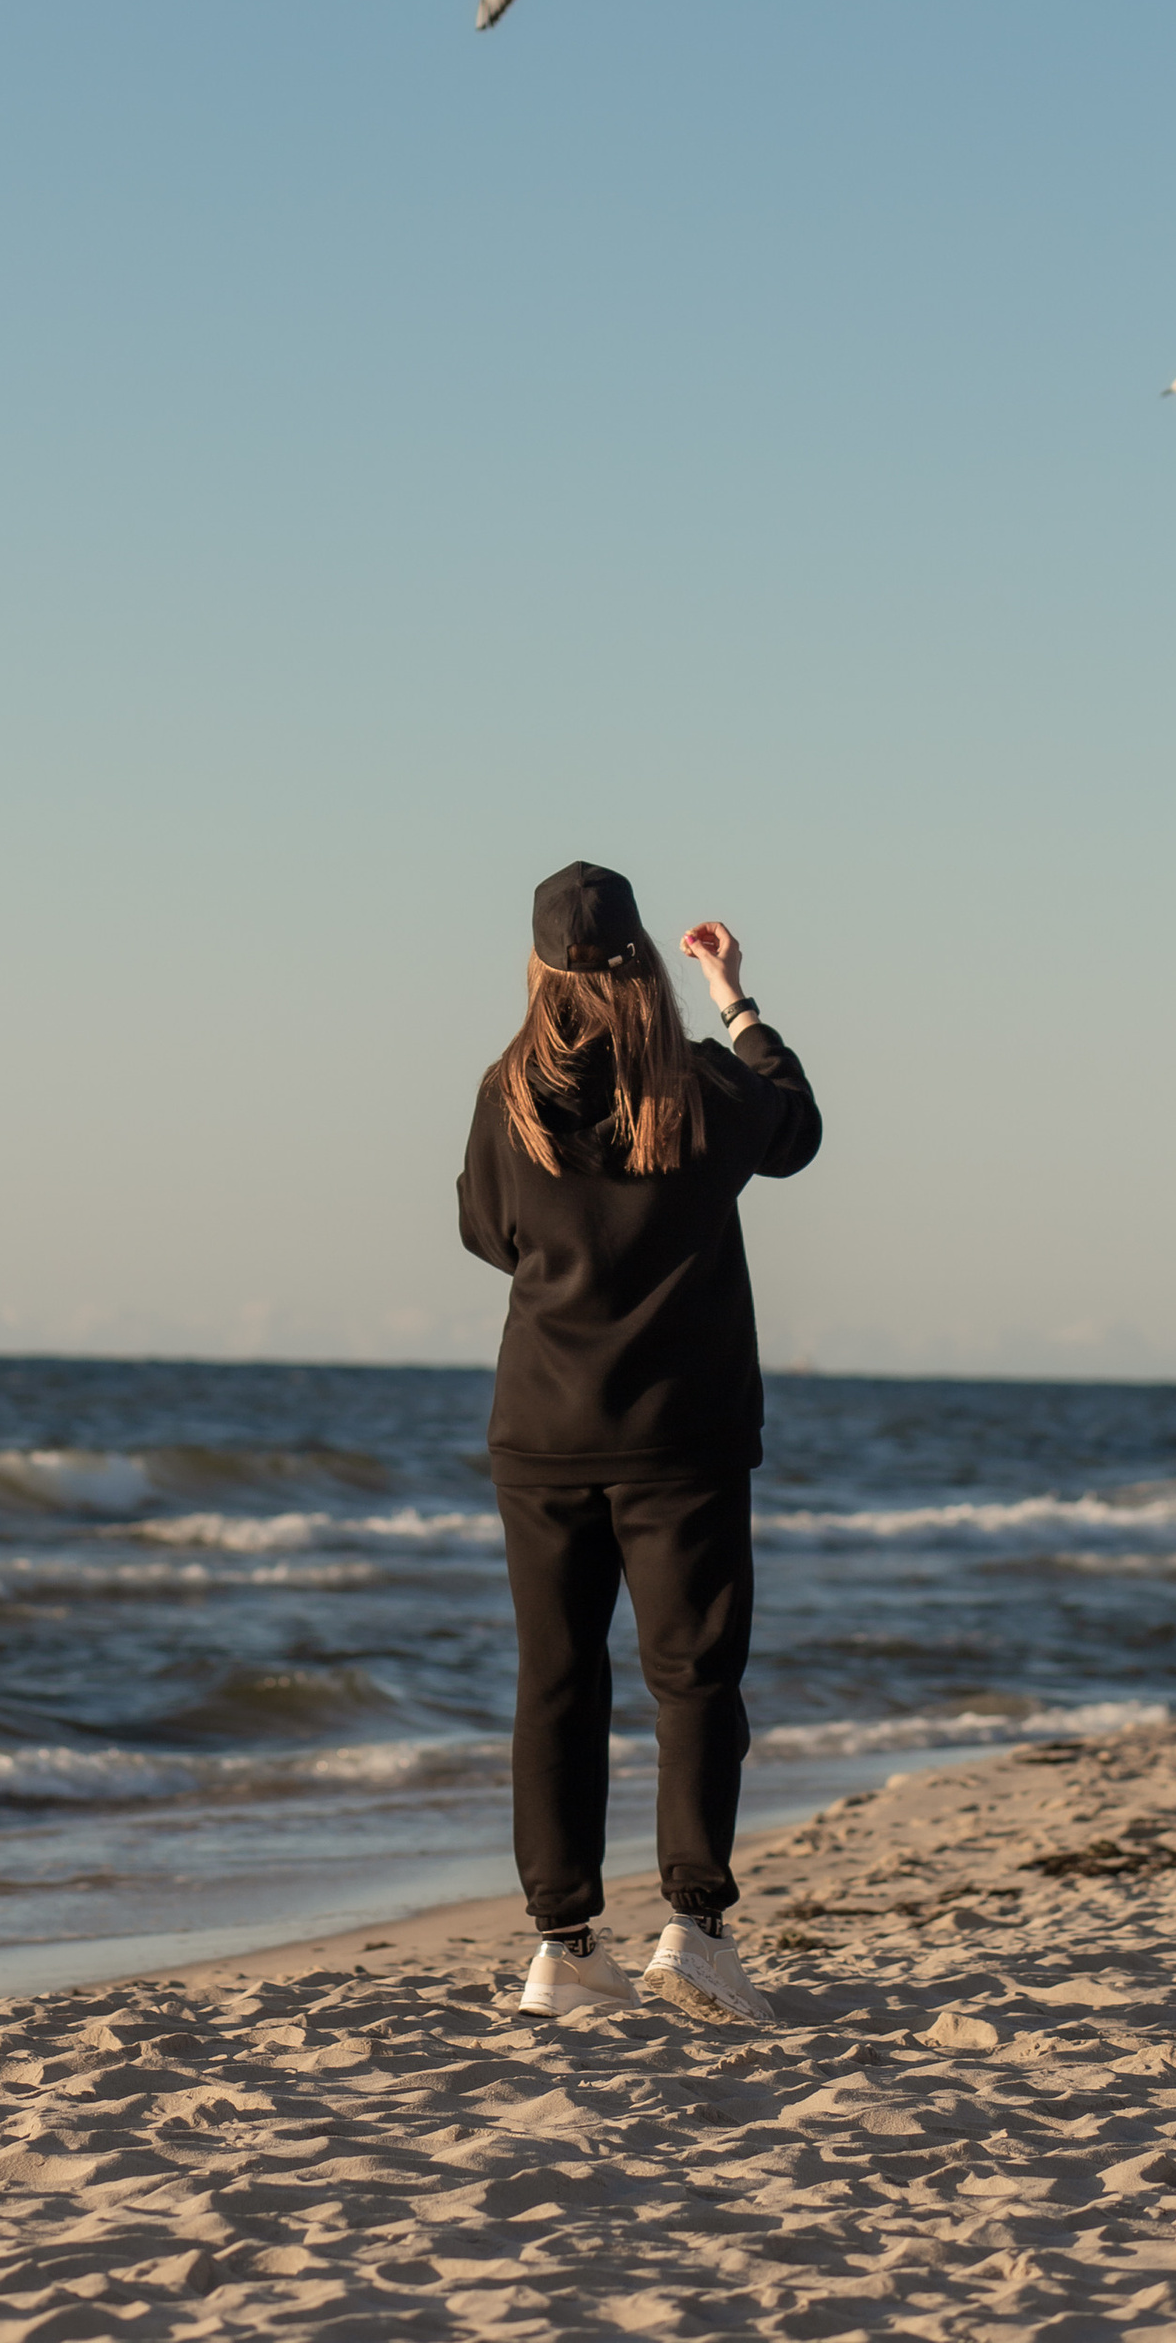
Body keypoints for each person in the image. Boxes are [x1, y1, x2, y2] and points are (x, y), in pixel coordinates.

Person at [458, 857, 821, 2026]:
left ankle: (563, 1946)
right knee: (692, 1681)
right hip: (684, 1433)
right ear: (648, 965)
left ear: (539, 968)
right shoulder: (703, 1088)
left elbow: (484, 1230)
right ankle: (694, 1930)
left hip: (544, 1426)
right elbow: (800, 1129)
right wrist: (736, 1000)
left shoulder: (506, 1091)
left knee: (556, 1681)